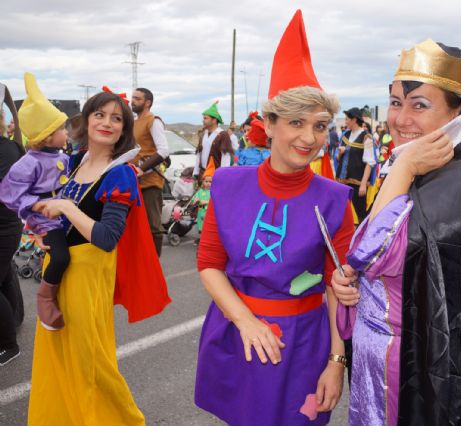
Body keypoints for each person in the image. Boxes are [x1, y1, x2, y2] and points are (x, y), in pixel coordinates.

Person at [332, 38, 461, 425]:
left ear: (456, 111)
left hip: (415, 358)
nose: (400, 119)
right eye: (396, 103)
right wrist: (350, 281)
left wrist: (403, 168)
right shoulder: (425, 160)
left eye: (420, 105)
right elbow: (367, 261)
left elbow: (372, 252)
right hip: (382, 356)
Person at [194, 10, 354, 425]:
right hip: (238, 332)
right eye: (296, 123)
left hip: (306, 344)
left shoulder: (336, 199)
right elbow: (209, 264)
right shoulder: (228, 184)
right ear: (268, 123)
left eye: (320, 126)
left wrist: (337, 361)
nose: (309, 138)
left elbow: (338, 287)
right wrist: (245, 322)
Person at [27, 89, 171, 425]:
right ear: (87, 119)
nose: (107, 123)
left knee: (90, 362)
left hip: (89, 276)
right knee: (56, 357)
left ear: (124, 130)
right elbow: (49, 211)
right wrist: (41, 230)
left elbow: (107, 238)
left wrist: (65, 206)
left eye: (117, 118)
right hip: (58, 269)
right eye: (100, 114)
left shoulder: (119, 174)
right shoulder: (74, 162)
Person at [0, 73, 71, 331]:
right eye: (62, 128)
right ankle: (46, 297)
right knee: (61, 258)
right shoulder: (28, 162)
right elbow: (9, 193)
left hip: (66, 214)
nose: (67, 132)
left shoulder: (62, 155)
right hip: (46, 220)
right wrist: (37, 207)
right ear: (48, 135)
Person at [0, 85, 26, 366]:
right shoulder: (12, 145)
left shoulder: (7, 148)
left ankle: (9, 344)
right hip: (8, 224)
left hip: (4, 226)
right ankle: (14, 320)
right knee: (5, 275)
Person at [131, 87, 170, 256]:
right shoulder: (133, 122)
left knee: (153, 226)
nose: (133, 101)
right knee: (135, 225)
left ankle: (154, 265)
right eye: (133, 97)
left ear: (147, 103)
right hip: (133, 181)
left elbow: (163, 151)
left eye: (137, 98)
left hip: (150, 181)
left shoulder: (154, 121)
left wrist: (141, 169)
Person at [334, 107, 375, 223]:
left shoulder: (366, 137)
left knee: (361, 212)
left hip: (357, 182)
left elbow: (370, 162)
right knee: (341, 212)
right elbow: (338, 158)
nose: (345, 122)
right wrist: (340, 153)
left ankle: (363, 237)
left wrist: (363, 184)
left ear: (354, 120)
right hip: (342, 181)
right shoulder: (345, 135)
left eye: (347, 119)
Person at [194, 101, 224, 178]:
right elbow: (198, 155)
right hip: (202, 175)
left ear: (214, 120)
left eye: (205, 118)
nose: (203, 120)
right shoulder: (203, 134)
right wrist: (196, 172)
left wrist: (223, 175)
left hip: (216, 175)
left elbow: (225, 157)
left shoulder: (222, 135)